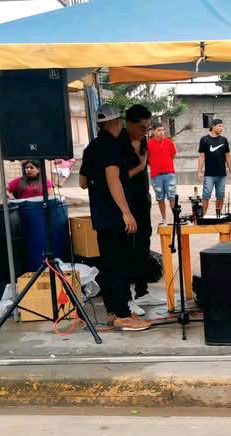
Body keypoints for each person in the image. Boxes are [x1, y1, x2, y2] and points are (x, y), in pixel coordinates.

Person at [78, 104, 150, 332]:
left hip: (100, 215)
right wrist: (126, 212)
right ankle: (122, 315)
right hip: (115, 215)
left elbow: (82, 182)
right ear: (117, 122)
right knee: (120, 265)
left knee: (109, 265)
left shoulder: (91, 147)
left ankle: (113, 312)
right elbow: (113, 179)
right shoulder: (112, 147)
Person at [119, 104, 161, 314]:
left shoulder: (143, 140)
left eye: (147, 128)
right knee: (128, 247)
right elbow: (117, 177)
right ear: (129, 123)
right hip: (126, 203)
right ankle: (127, 297)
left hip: (143, 199)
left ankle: (142, 291)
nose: (145, 132)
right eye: (142, 128)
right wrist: (140, 166)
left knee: (144, 243)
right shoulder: (119, 143)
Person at [197, 119, 231, 216]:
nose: (221, 128)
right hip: (209, 174)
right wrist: (199, 171)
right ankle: (203, 216)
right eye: (219, 126)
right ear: (213, 126)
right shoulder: (204, 139)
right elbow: (201, 156)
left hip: (221, 174)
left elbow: (228, 156)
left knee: (220, 196)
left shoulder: (224, 140)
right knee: (206, 195)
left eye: (222, 126)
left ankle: (218, 215)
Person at [147, 122, 177, 224]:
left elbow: (173, 155)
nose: (161, 132)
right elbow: (147, 158)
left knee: (172, 196)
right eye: (158, 130)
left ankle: (175, 217)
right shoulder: (148, 144)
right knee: (160, 198)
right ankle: (164, 218)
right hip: (156, 175)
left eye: (162, 130)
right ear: (153, 131)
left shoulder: (169, 142)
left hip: (169, 173)